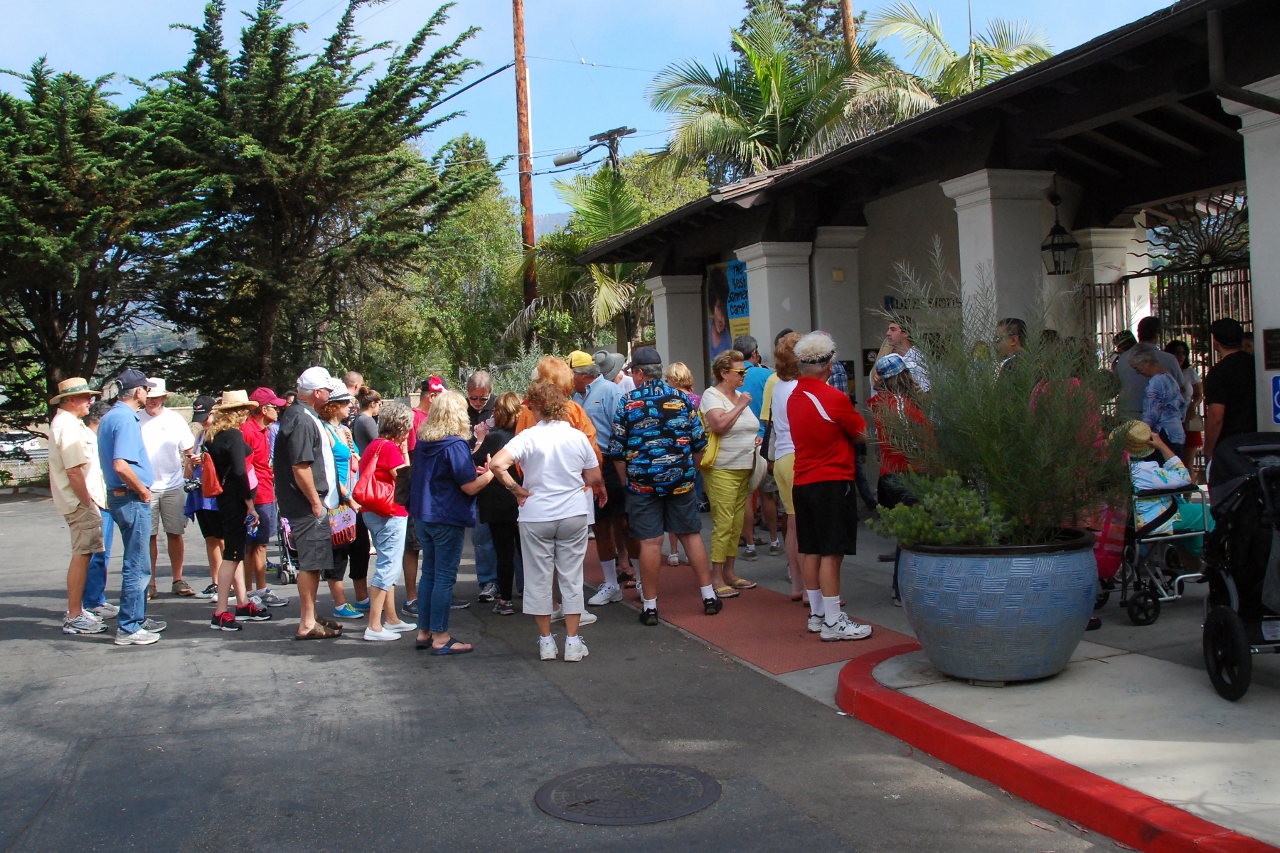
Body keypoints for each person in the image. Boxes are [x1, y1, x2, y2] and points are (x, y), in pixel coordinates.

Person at [490, 380, 604, 662]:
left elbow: (497, 464)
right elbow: (594, 476)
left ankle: (546, 641)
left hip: (536, 513)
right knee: (572, 577)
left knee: (538, 578)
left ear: (535, 407)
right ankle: (573, 641)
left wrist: (516, 489)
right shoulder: (577, 436)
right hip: (572, 511)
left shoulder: (528, 437)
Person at [609, 346, 722, 625]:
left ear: (639, 372)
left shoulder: (628, 402)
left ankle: (650, 607)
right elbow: (699, 443)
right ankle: (708, 596)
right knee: (691, 535)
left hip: (642, 485)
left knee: (650, 542)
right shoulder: (681, 399)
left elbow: (617, 451)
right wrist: (690, 472)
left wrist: (627, 482)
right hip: (680, 482)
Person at [787, 332, 873, 642]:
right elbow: (861, 433)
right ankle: (834, 621)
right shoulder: (834, 398)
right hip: (832, 481)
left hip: (803, 480)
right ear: (829, 365)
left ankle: (818, 614)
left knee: (811, 549)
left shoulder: (794, 396)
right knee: (832, 553)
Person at [516, 356, 603, 627]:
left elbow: (516, 457)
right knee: (571, 562)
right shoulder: (574, 409)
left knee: (541, 563)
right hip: (573, 493)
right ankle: (573, 613)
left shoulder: (527, 412)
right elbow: (592, 448)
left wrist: (522, 485)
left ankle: (550, 608)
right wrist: (593, 483)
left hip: (535, 496)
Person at [408, 390, 495, 654]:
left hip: (423, 514)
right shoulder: (455, 444)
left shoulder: (424, 441)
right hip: (446, 516)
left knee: (430, 573)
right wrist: (491, 473)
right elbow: (469, 486)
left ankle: (424, 631)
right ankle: (440, 636)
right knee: (444, 577)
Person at [97, 369, 166, 646]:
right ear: (138, 391)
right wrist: (142, 490)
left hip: (121, 496)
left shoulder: (111, 416)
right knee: (137, 564)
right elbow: (121, 464)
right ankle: (129, 626)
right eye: (146, 389)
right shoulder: (125, 419)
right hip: (130, 497)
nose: (148, 393)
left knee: (139, 561)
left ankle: (137, 616)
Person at [276, 366, 343, 640]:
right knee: (311, 562)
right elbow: (301, 466)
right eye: (327, 389)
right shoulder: (302, 420)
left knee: (315, 561)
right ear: (316, 392)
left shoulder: (303, 415)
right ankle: (306, 622)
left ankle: (311, 615)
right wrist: (315, 502)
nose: (329, 393)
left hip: (307, 502)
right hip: (306, 505)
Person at [205, 391, 273, 631]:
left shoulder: (214, 435)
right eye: (243, 410)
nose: (246, 414)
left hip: (225, 498)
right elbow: (240, 471)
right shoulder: (233, 435)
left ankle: (242, 603)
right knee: (232, 555)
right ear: (235, 413)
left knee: (236, 552)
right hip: (235, 500)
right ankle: (220, 612)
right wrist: (249, 504)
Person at [568, 351, 629, 606]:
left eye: (569, 374)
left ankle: (639, 579)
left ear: (582, 374)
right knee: (600, 525)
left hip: (611, 463)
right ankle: (611, 584)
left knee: (624, 523)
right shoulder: (575, 396)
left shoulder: (610, 391)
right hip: (587, 466)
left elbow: (623, 430)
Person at [48, 377, 108, 636]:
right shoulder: (67, 426)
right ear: (71, 399)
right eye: (85, 397)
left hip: (81, 500)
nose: (90, 401)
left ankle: (78, 611)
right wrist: (87, 503)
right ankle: (74, 615)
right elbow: (73, 471)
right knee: (82, 554)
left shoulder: (71, 423)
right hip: (80, 501)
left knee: (86, 554)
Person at [701, 349, 761, 598]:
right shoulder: (712, 396)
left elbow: (746, 427)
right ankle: (716, 577)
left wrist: (754, 439)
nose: (743, 376)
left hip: (744, 466)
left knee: (737, 523)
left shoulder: (738, 396)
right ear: (724, 373)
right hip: (722, 468)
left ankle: (730, 572)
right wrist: (741, 405)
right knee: (724, 522)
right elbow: (719, 424)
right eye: (740, 372)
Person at [354, 401, 416, 641]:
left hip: (373, 510)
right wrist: (404, 453)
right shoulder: (389, 448)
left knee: (387, 564)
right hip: (390, 512)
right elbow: (404, 480)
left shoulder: (375, 445)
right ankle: (374, 626)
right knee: (388, 567)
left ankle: (391, 618)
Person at [869, 354, 928, 606]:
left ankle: (900, 588)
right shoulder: (901, 404)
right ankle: (904, 589)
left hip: (890, 473)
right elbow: (914, 440)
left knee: (905, 537)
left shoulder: (881, 402)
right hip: (907, 473)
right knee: (914, 537)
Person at [138, 378, 196, 600]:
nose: (151, 402)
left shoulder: (174, 419)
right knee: (149, 536)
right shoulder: (136, 419)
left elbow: (188, 451)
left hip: (173, 485)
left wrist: (188, 478)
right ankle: (150, 583)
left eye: (156, 398)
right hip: (146, 487)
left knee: (175, 532)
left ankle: (177, 579)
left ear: (163, 398)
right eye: (149, 398)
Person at [761, 332, 804, 600]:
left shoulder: (777, 385)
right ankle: (812, 589)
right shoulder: (800, 388)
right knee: (806, 528)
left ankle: (797, 584)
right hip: (800, 457)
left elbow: (771, 423)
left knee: (793, 525)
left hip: (783, 457)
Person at [402, 375, 449, 619]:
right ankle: (412, 597)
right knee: (413, 546)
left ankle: (439, 593)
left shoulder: (432, 419)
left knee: (435, 548)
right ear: (431, 396)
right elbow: (411, 457)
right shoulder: (414, 419)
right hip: (419, 493)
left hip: (435, 494)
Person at [473, 393, 524, 615]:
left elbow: (475, 460)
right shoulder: (525, 435)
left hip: (498, 501)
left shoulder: (494, 438)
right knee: (527, 551)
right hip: (523, 499)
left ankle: (505, 600)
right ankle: (534, 595)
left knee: (503, 552)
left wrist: (480, 438)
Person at [320, 383, 364, 619]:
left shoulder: (345, 430)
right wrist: (348, 497)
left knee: (358, 548)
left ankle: (360, 598)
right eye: (346, 402)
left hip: (353, 498)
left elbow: (357, 458)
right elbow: (329, 471)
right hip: (338, 501)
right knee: (338, 551)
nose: (350, 406)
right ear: (333, 405)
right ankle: (339, 604)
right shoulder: (325, 431)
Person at [733, 334, 778, 562]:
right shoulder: (767, 376)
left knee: (746, 495)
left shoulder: (730, 377)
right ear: (754, 353)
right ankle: (774, 541)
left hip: (742, 441)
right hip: (766, 440)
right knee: (769, 494)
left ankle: (749, 544)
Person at [242, 387, 289, 606]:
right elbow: (244, 468)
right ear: (263, 409)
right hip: (256, 495)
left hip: (266, 491)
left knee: (261, 544)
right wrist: (248, 501)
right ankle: (249, 591)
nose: (278, 411)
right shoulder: (248, 431)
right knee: (251, 545)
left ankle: (260, 589)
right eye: (274, 407)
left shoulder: (264, 430)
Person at [662, 362, 705, 561]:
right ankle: (690, 554)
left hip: (673, 459)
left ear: (674, 379)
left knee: (672, 508)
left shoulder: (666, 400)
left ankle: (673, 552)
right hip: (692, 459)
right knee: (691, 508)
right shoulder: (697, 400)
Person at [465, 370, 501, 603]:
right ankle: (488, 581)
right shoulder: (462, 411)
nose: (478, 402)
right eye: (473, 398)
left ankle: (516, 582)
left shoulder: (499, 408)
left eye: (483, 398)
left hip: (498, 478)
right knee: (481, 536)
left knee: (508, 536)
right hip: (474, 479)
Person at [83, 400, 119, 622]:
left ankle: (96, 598)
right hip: (95, 501)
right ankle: (92, 601)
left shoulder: (96, 439)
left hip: (103, 500)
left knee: (101, 553)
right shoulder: (88, 440)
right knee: (97, 554)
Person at [1203, 317, 1257, 461]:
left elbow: (1216, 416)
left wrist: (1208, 449)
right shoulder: (1256, 365)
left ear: (1216, 342)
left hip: (1231, 444)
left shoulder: (1219, 372)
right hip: (1258, 438)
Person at [1115, 316, 1183, 420]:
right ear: (1157, 334)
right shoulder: (1169, 360)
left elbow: (1116, 385)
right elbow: (1180, 387)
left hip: (1129, 417)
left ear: (1139, 333)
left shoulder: (1123, 359)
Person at [1131, 349, 1186, 459]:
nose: (1138, 372)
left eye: (1137, 368)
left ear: (1146, 362)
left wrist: (1140, 435)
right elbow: (1182, 406)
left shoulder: (1155, 383)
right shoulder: (1169, 378)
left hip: (1163, 434)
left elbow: (1151, 415)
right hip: (1177, 432)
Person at [1164, 340, 1204, 469]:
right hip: (1169, 421)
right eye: (1177, 353)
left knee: (1187, 463)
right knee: (1172, 463)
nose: (1181, 356)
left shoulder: (1189, 371)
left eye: (1183, 353)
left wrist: (1193, 406)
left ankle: (1189, 482)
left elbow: (1199, 394)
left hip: (1187, 421)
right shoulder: (1163, 372)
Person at [352, 386, 382, 453]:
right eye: (379, 404)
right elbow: (379, 444)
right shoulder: (367, 420)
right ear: (373, 404)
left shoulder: (359, 417)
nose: (380, 407)